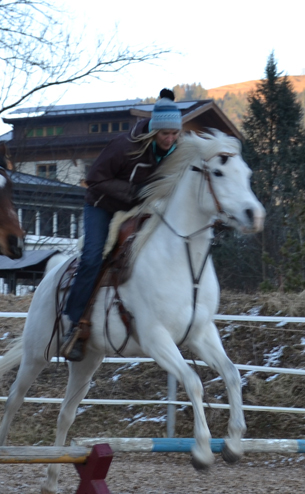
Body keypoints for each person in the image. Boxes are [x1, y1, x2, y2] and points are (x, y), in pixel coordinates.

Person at [61, 89, 182, 362]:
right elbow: (94, 179)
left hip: (138, 208)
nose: (171, 139)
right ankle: (76, 324)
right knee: (92, 257)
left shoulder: (177, 149)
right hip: (101, 205)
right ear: (154, 130)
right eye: (166, 134)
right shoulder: (124, 145)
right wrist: (134, 191)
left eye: (175, 134)